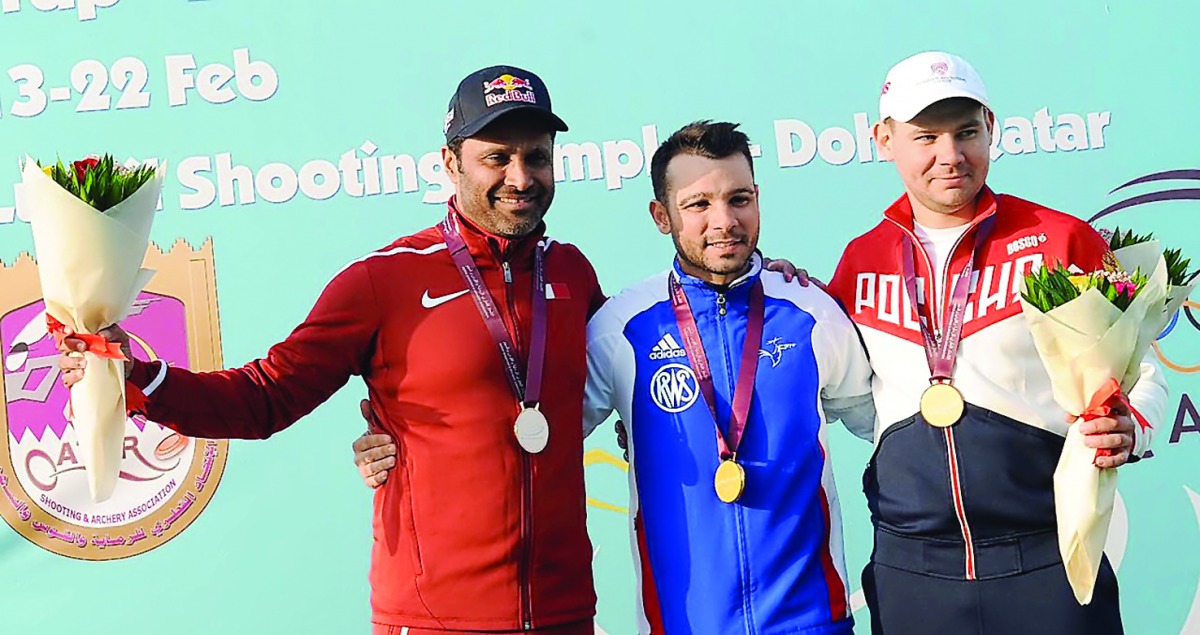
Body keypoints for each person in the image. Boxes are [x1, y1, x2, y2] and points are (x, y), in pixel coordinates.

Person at [61, 65, 606, 635]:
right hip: (434, 618)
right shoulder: (383, 280)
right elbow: (265, 397)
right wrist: (138, 378)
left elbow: (630, 376)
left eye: (537, 156)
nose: (520, 177)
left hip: (564, 612)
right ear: (451, 163)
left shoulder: (572, 273)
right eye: (497, 156)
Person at [356, 121, 876, 635]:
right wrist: (400, 442)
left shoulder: (811, 310)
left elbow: (882, 415)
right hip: (679, 626)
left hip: (815, 623)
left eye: (739, 199)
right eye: (698, 204)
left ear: (757, 199)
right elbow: (527, 435)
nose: (724, 221)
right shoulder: (621, 328)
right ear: (661, 216)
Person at [824, 51, 1168, 634]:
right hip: (913, 572)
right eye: (925, 136)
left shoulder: (1060, 239)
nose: (949, 156)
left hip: (1047, 558)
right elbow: (851, 397)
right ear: (885, 139)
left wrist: (1131, 425)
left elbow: (1144, 373)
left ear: (990, 125)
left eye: (966, 133)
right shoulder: (862, 261)